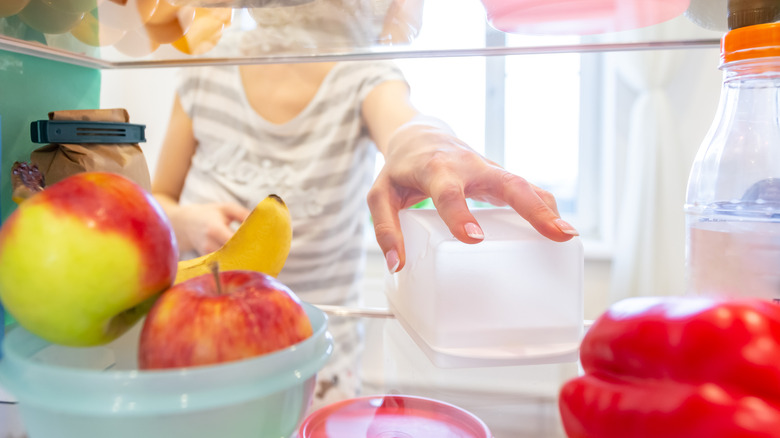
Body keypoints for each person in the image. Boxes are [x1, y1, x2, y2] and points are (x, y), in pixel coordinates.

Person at [151, 1, 578, 410]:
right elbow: (159, 199)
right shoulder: (207, 70)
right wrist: (187, 223)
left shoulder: (360, 72)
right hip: (196, 346)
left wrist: (433, 149)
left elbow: (405, 122)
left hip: (317, 361)